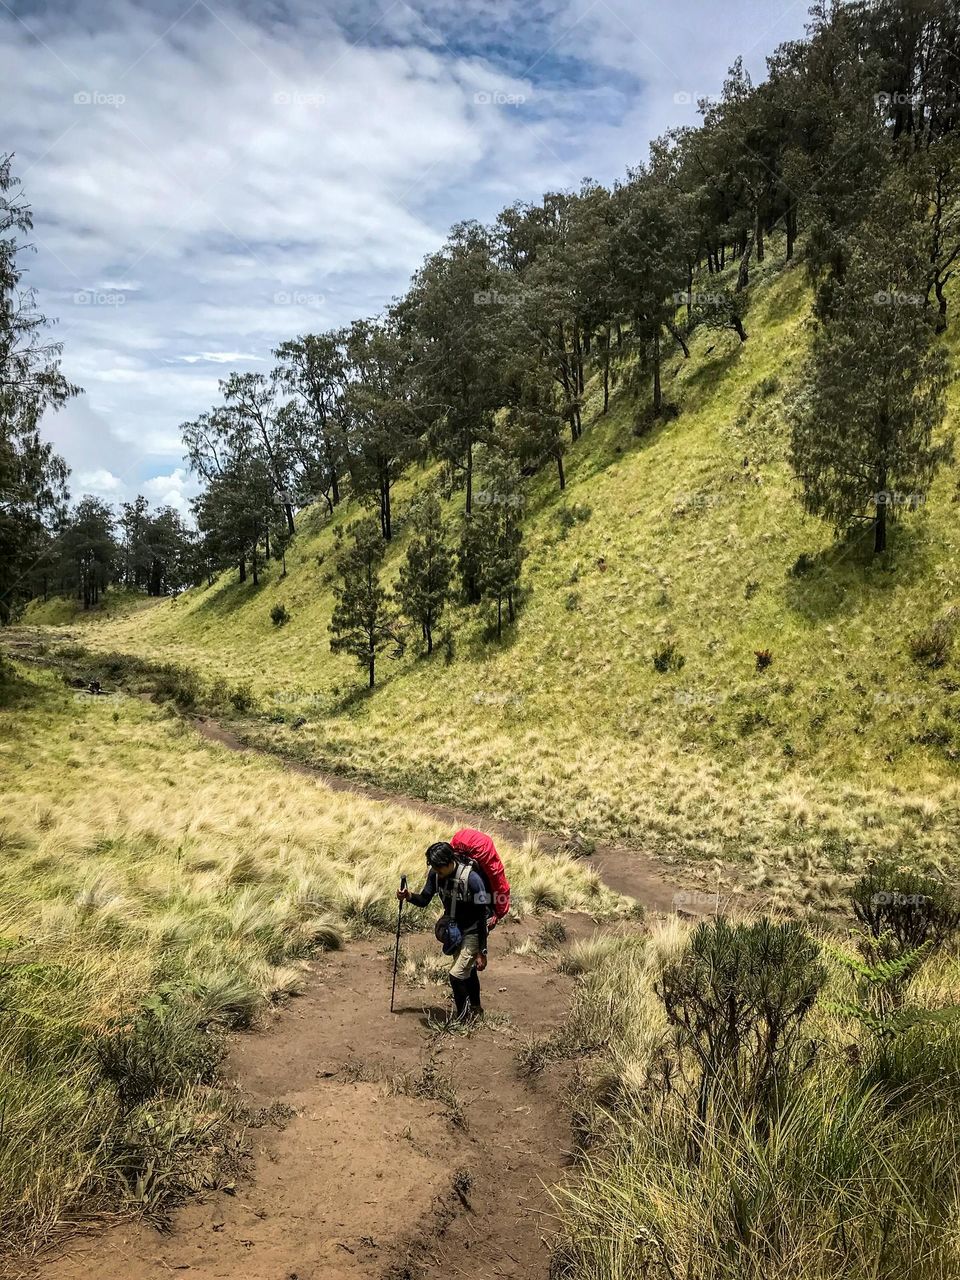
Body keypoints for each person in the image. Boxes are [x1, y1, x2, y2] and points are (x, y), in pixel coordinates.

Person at [398, 840, 492, 1021]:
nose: (437, 872)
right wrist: (408, 896)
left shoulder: (473, 879)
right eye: (434, 867)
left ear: (450, 862)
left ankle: (464, 1019)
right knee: (468, 970)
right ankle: (476, 1009)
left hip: (473, 930)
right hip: (454, 928)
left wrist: (482, 950)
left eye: (440, 868)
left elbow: (482, 915)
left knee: (456, 975)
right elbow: (424, 899)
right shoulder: (435, 874)